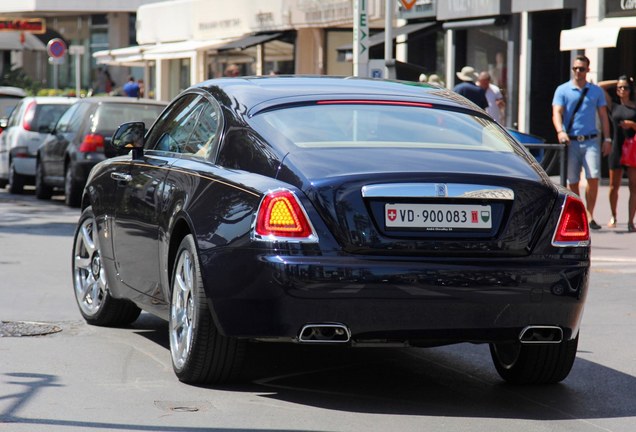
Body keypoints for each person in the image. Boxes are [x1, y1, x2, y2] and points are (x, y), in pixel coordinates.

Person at [552, 55, 612, 230]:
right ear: (573, 70)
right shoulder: (562, 90)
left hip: (591, 140)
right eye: (576, 68)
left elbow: (603, 115)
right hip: (571, 141)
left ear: (588, 70)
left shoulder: (595, 91)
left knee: (593, 177)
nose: (578, 72)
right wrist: (560, 131)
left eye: (582, 69)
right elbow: (557, 112)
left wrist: (607, 139)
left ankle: (589, 213)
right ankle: (579, 214)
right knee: (572, 180)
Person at [606, 76, 636, 231]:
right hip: (617, 148)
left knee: (633, 186)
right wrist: (616, 80)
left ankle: (631, 221)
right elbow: (599, 86)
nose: (622, 90)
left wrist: (632, 125)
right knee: (613, 186)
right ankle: (613, 215)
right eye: (620, 88)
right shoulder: (614, 106)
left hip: (632, 149)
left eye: (625, 87)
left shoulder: (634, 107)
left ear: (631, 90)